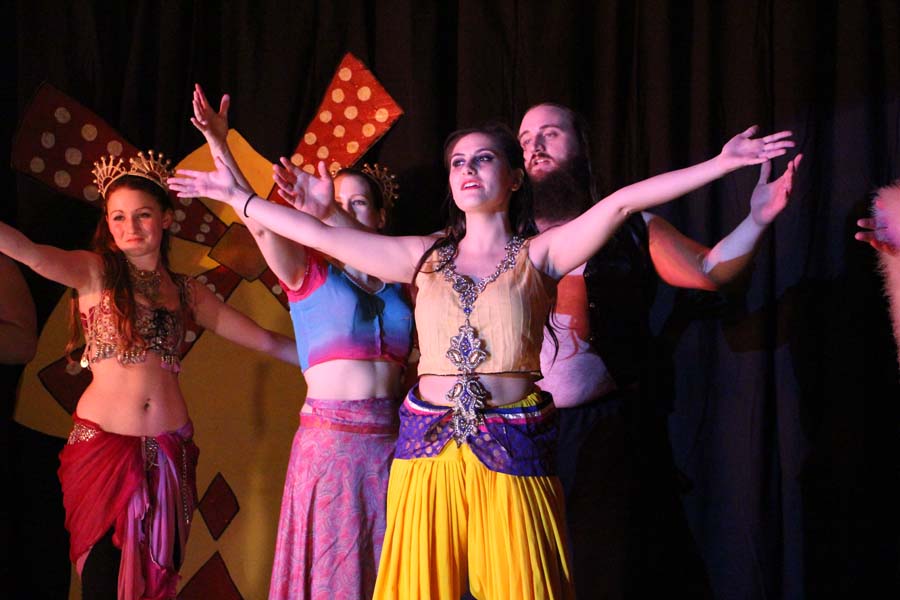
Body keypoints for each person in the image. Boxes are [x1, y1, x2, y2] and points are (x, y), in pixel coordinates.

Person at [169, 119, 792, 599]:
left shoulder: (541, 254)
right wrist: (239, 197)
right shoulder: (420, 255)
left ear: (515, 178)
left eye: (484, 158)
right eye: (458, 163)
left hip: (513, 447)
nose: (468, 170)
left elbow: (624, 203)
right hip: (425, 452)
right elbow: (318, 235)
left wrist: (722, 164)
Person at [517, 103, 801, 597]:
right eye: (524, 140)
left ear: (581, 145)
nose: (535, 148)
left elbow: (709, 271)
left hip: (607, 434)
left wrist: (756, 220)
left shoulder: (630, 226)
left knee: (608, 573)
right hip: (519, 436)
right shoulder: (500, 241)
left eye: (550, 134)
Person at [0, 150, 298, 600]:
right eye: (118, 217)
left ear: (165, 219)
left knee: (158, 582)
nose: (130, 227)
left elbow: (266, 340)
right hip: (103, 451)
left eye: (142, 215)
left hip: (169, 454)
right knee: (103, 582)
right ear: (108, 223)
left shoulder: (185, 291)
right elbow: (30, 254)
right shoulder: (95, 272)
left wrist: (338, 360)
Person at [188, 84, 414, 600]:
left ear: (380, 217)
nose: (344, 210)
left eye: (359, 204)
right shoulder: (308, 275)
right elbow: (260, 227)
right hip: (331, 450)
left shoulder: (404, 280)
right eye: (336, 202)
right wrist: (220, 146)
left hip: (394, 449)